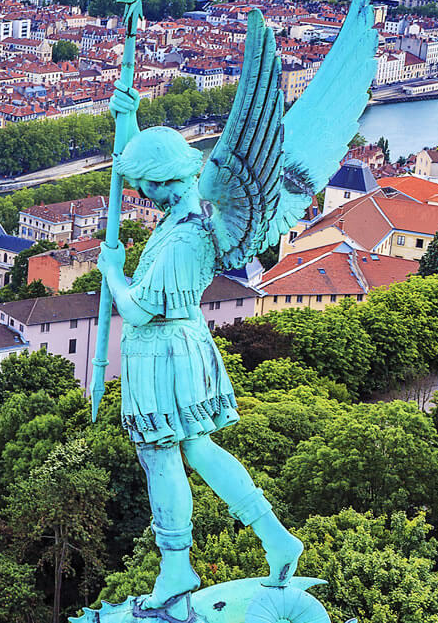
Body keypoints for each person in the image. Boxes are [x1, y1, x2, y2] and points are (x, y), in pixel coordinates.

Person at [95, 85, 303, 612]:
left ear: (165, 182)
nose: (141, 196)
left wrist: (113, 274)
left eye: (145, 187)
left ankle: (176, 568)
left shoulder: (187, 235)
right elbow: (133, 164)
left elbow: (139, 309)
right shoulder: (185, 217)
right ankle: (276, 539)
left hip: (163, 352)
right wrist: (129, 121)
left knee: (161, 458)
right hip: (177, 349)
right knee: (197, 449)